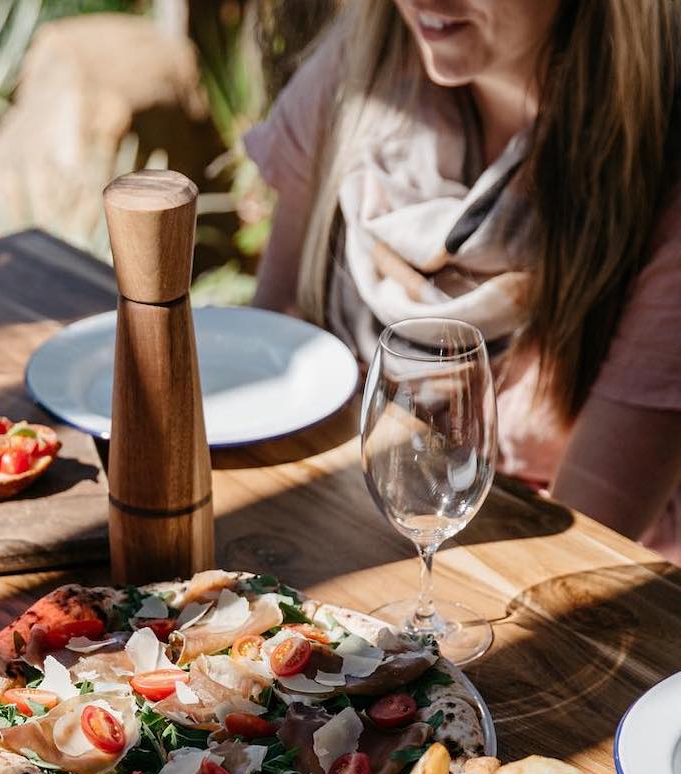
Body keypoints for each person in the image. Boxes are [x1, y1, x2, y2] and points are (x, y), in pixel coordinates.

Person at [245, 0, 681, 565]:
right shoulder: (360, 75)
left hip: (536, 589)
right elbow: (269, 369)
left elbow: (577, 558)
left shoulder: (660, 176)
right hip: (326, 533)